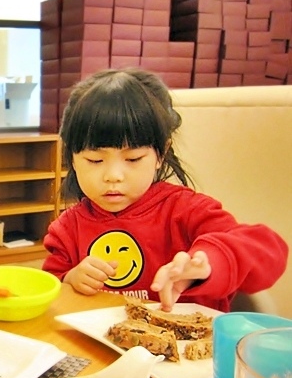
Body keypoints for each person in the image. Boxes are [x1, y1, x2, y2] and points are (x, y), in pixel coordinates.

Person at [43, 68, 287, 312]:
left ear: (161, 153)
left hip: (185, 346)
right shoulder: (67, 229)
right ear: (72, 158)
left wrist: (209, 263)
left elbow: (271, 252)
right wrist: (70, 278)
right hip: (99, 348)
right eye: (95, 160)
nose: (113, 176)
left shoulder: (186, 211)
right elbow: (48, 292)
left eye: (134, 159)